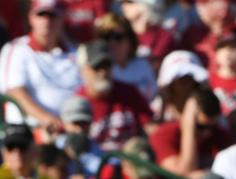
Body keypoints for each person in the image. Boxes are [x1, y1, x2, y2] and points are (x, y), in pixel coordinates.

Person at [0, 0, 81, 133]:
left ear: (62, 18)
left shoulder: (75, 53)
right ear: (31, 17)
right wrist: (47, 119)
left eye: (52, 15)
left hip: (70, 132)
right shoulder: (16, 49)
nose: (46, 21)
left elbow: (86, 92)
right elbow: (14, 92)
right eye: (41, 15)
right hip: (28, 133)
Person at [75, 39, 153, 152]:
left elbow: (150, 128)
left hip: (131, 160)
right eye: (97, 67)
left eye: (107, 66)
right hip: (97, 164)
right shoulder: (79, 103)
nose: (103, 72)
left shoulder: (129, 93)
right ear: (84, 70)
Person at [93, 12, 157, 103]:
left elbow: (154, 95)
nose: (112, 43)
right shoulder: (97, 70)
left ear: (130, 40)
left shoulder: (143, 65)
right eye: (106, 37)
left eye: (118, 37)